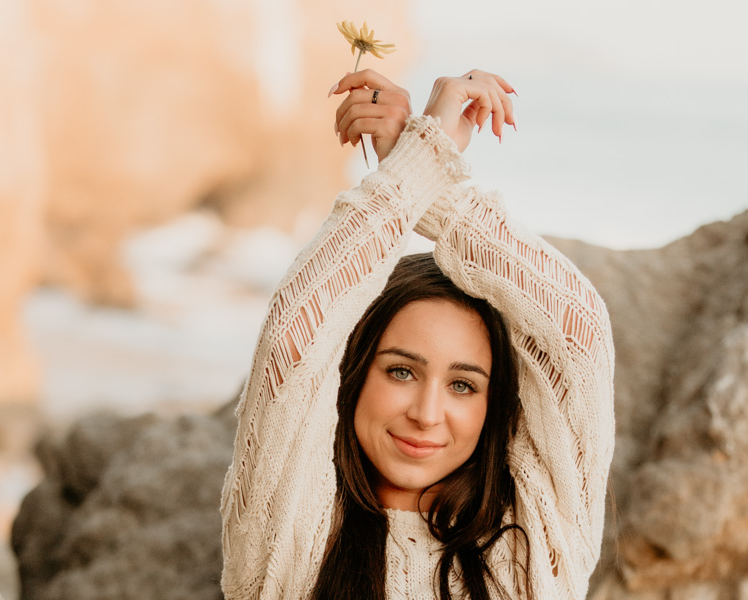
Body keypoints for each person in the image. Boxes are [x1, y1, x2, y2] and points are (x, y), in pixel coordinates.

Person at [220, 69, 615, 600]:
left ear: (493, 404)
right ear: (354, 375)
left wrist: (420, 168)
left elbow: (577, 330)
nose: (426, 415)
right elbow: (295, 341)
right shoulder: (290, 535)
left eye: (463, 385)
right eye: (401, 370)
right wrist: (416, 166)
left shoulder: (533, 552)